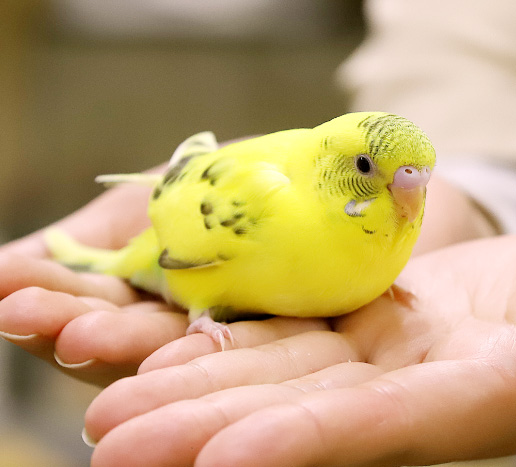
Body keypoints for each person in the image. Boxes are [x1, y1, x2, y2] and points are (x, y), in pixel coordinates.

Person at [2, 1, 516, 466]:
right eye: (366, 168)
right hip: (179, 263)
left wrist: (469, 208)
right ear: (336, 163)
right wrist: (201, 313)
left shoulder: (407, 205)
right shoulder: (266, 200)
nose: (410, 203)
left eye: (419, 183)